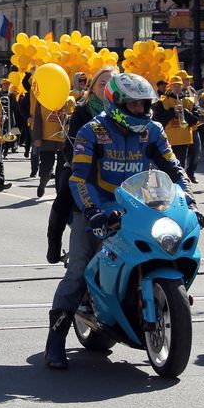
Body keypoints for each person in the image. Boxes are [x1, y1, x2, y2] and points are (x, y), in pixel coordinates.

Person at [44, 73, 204, 370]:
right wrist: (92, 211)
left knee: (165, 247)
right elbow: (79, 178)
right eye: (134, 105)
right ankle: (55, 340)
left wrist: (190, 202)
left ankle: (152, 304)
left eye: (144, 104)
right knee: (78, 269)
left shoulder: (153, 130)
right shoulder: (92, 131)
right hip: (96, 206)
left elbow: (174, 169)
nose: (141, 110)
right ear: (117, 104)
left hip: (139, 206)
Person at [45, 66, 115, 264]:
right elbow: (69, 146)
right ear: (92, 88)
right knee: (64, 196)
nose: (106, 88)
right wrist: (82, 165)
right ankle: (54, 245)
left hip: (116, 168)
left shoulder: (124, 111)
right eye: (102, 83)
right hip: (83, 166)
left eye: (111, 84)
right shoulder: (82, 111)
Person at [152, 75, 200, 169]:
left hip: (184, 139)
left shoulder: (188, 101)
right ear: (170, 87)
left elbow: (195, 120)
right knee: (167, 166)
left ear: (182, 86)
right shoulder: (163, 101)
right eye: (174, 86)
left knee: (181, 167)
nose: (177, 88)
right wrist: (172, 111)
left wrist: (184, 112)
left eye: (179, 86)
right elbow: (158, 120)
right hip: (168, 140)